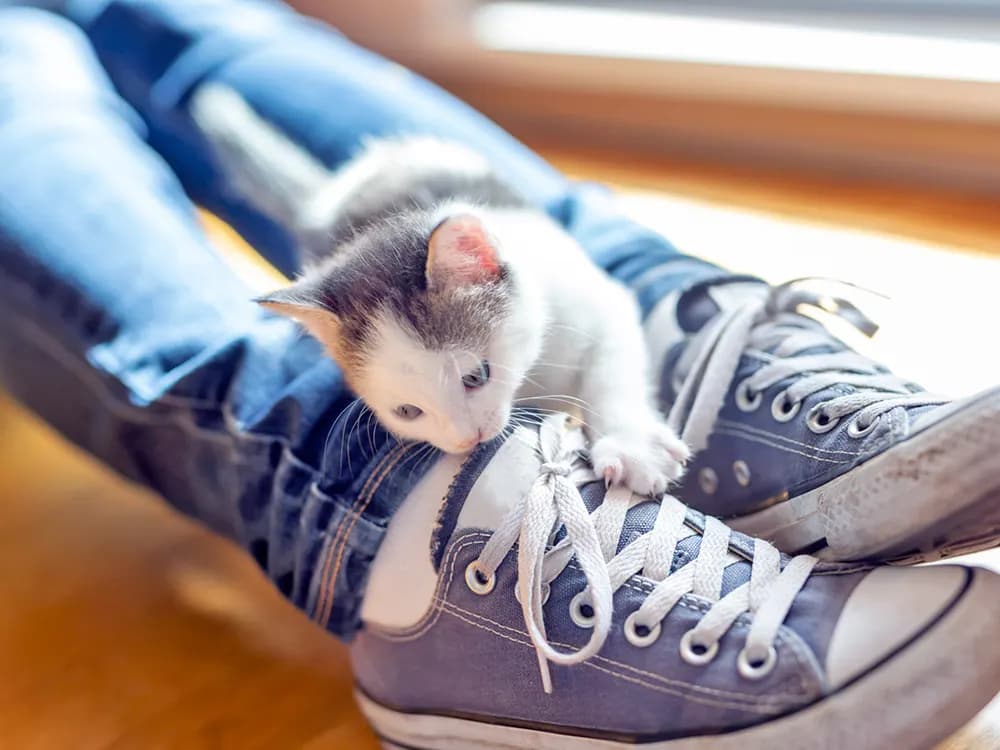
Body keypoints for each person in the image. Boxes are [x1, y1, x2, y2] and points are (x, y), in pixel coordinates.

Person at [1, 2, 998, 747]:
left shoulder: (473, 277)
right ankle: (372, 508)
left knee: (155, 9)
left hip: (496, 282)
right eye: (409, 413)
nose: (464, 427)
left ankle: (664, 316)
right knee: (21, 50)